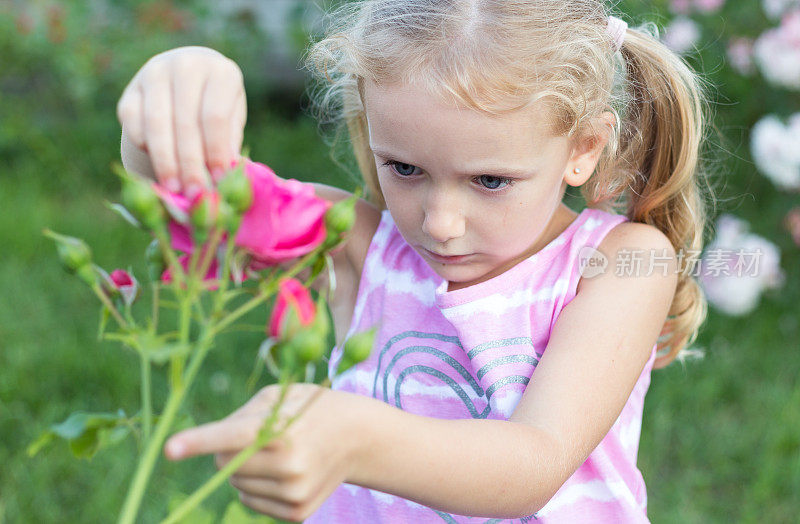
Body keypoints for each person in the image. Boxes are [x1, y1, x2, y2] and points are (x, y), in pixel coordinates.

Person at [117, 1, 712, 521]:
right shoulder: (357, 246)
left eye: (489, 180)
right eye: (404, 169)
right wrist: (170, 102)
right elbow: (191, 208)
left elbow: (535, 462)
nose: (439, 223)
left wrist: (354, 437)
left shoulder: (620, 262)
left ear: (583, 148)